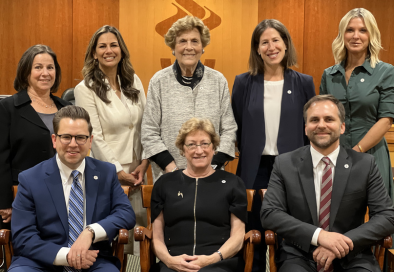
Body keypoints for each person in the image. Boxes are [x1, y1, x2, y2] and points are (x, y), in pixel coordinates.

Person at [261, 95, 394, 272]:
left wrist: (343, 243)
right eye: (314, 120)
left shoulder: (365, 164)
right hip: (300, 254)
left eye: (329, 119)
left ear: (342, 127)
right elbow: (270, 213)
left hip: (353, 254)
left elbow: (386, 215)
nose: (321, 125)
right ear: (306, 128)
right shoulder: (285, 163)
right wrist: (320, 236)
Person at [8, 105, 135, 272]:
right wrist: (67, 256)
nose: (73, 144)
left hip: (93, 259)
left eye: (81, 137)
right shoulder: (30, 178)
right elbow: (23, 237)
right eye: (66, 137)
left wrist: (90, 232)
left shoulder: (106, 172)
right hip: (42, 261)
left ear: (90, 141)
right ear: (54, 140)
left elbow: (125, 213)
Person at [231, 19, 315, 271]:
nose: (271, 47)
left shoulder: (304, 82)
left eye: (276, 40)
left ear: (286, 44)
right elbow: (236, 123)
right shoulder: (244, 82)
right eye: (264, 42)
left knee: (287, 234)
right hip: (254, 170)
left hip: (293, 168)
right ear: (257, 49)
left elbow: (310, 128)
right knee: (253, 234)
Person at [74, 25, 148, 255]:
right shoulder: (84, 88)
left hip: (139, 171)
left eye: (113, 45)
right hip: (107, 171)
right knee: (115, 235)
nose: (109, 50)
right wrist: (118, 171)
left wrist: (144, 163)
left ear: (121, 50)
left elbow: (147, 123)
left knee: (137, 234)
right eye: (102, 46)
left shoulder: (133, 81)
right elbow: (93, 136)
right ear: (94, 53)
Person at [141, 16, 237, 181]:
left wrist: (211, 167)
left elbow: (229, 129)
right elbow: (149, 132)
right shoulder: (158, 81)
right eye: (182, 41)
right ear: (173, 47)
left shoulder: (218, 80)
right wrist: (173, 170)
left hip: (211, 177)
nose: (189, 47)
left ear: (202, 47)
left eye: (195, 41)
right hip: (169, 176)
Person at [150, 118, 247, 272]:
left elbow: (238, 236)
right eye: (191, 144)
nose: (199, 150)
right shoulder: (165, 184)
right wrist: (170, 261)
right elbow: (157, 237)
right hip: (174, 262)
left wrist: (212, 258)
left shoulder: (233, 183)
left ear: (214, 147)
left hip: (219, 263)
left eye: (204, 143)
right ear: (182, 149)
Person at [320, 8, 394, 201]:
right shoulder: (329, 75)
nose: (355, 36)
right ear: (342, 34)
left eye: (363, 30)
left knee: (379, 220)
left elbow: (386, 120)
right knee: (341, 217)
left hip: (372, 154)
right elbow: (322, 118)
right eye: (350, 30)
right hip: (337, 155)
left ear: (371, 35)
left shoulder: (385, 72)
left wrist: (356, 152)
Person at [0, 44, 71, 229]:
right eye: (38, 67)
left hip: (62, 196)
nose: (45, 73)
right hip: (21, 198)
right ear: (26, 72)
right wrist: (5, 203)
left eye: (50, 67)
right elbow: (1, 159)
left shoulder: (66, 109)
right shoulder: (8, 108)